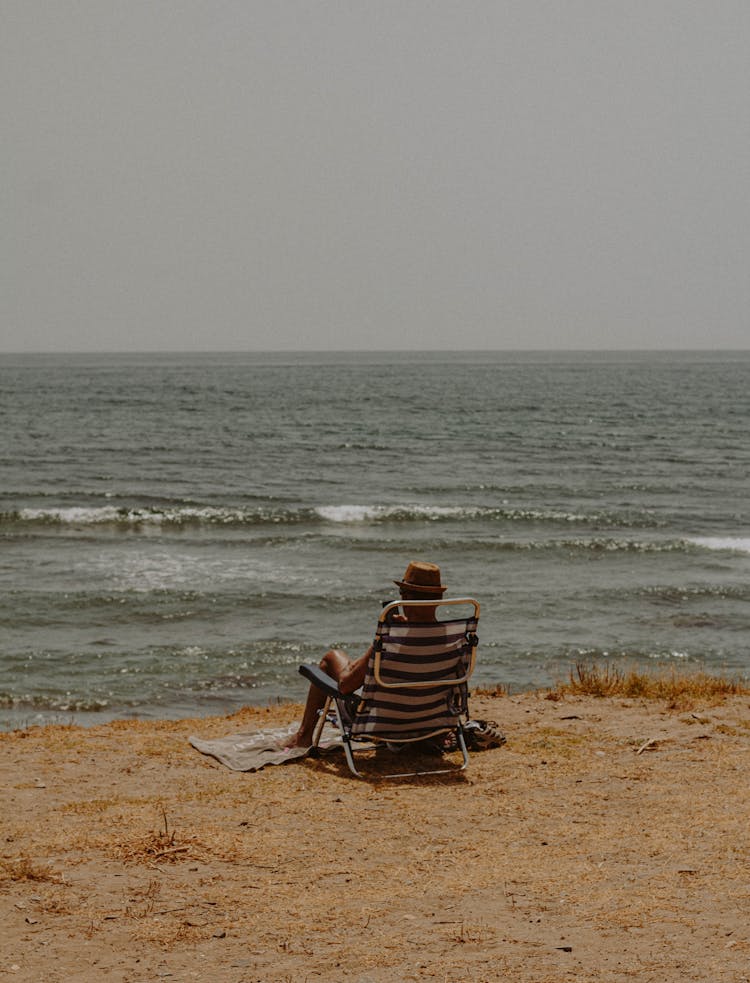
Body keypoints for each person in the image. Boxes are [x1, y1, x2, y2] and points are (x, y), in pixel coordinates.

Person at [287, 561, 446, 748]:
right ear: (438, 598)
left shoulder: (392, 638)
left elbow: (346, 686)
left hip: (384, 722)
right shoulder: (453, 638)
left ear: (406, 598)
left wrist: (386, 635)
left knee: (331, 658)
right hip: (432, 721)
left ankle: (303, 736)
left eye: (402, 593)